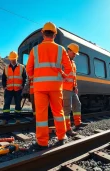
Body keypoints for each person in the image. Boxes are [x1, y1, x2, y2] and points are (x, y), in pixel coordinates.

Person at [26, 22, 72, 150]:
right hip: (56, 87)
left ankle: (42, 142)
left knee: (41, 115)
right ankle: (62, 137)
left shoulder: (34, 50)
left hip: (39, 87)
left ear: (42, 33)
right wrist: (62, 75)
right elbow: (68, 68)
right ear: (54, 35)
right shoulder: (61, 49)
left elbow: (28, 69)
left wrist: (34, 77)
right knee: (58, 112)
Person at [63, 43, 88, 136]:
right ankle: (67, 129)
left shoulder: (73, 63)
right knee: (67, 109)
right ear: (68, 51)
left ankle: (78, 123)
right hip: (65, 88)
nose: (75, 55)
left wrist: (75, 86)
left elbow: (74, 77)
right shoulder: (63, 61)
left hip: (72, 88)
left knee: (77, 104)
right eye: (73, 53)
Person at [0, 51, 27, 125]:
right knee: (6, 104)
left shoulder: (22, 67)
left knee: (18, 104)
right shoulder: (6, 68)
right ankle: (5, 120)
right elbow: (3, 78)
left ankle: (17, 119)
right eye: (12, 59)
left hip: (18, 89)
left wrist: (23, 86)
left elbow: (25, 78)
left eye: (14, 59)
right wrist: (4, 86)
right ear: (9, 59)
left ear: (17, 58)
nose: (13, 60)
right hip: (8, 89)